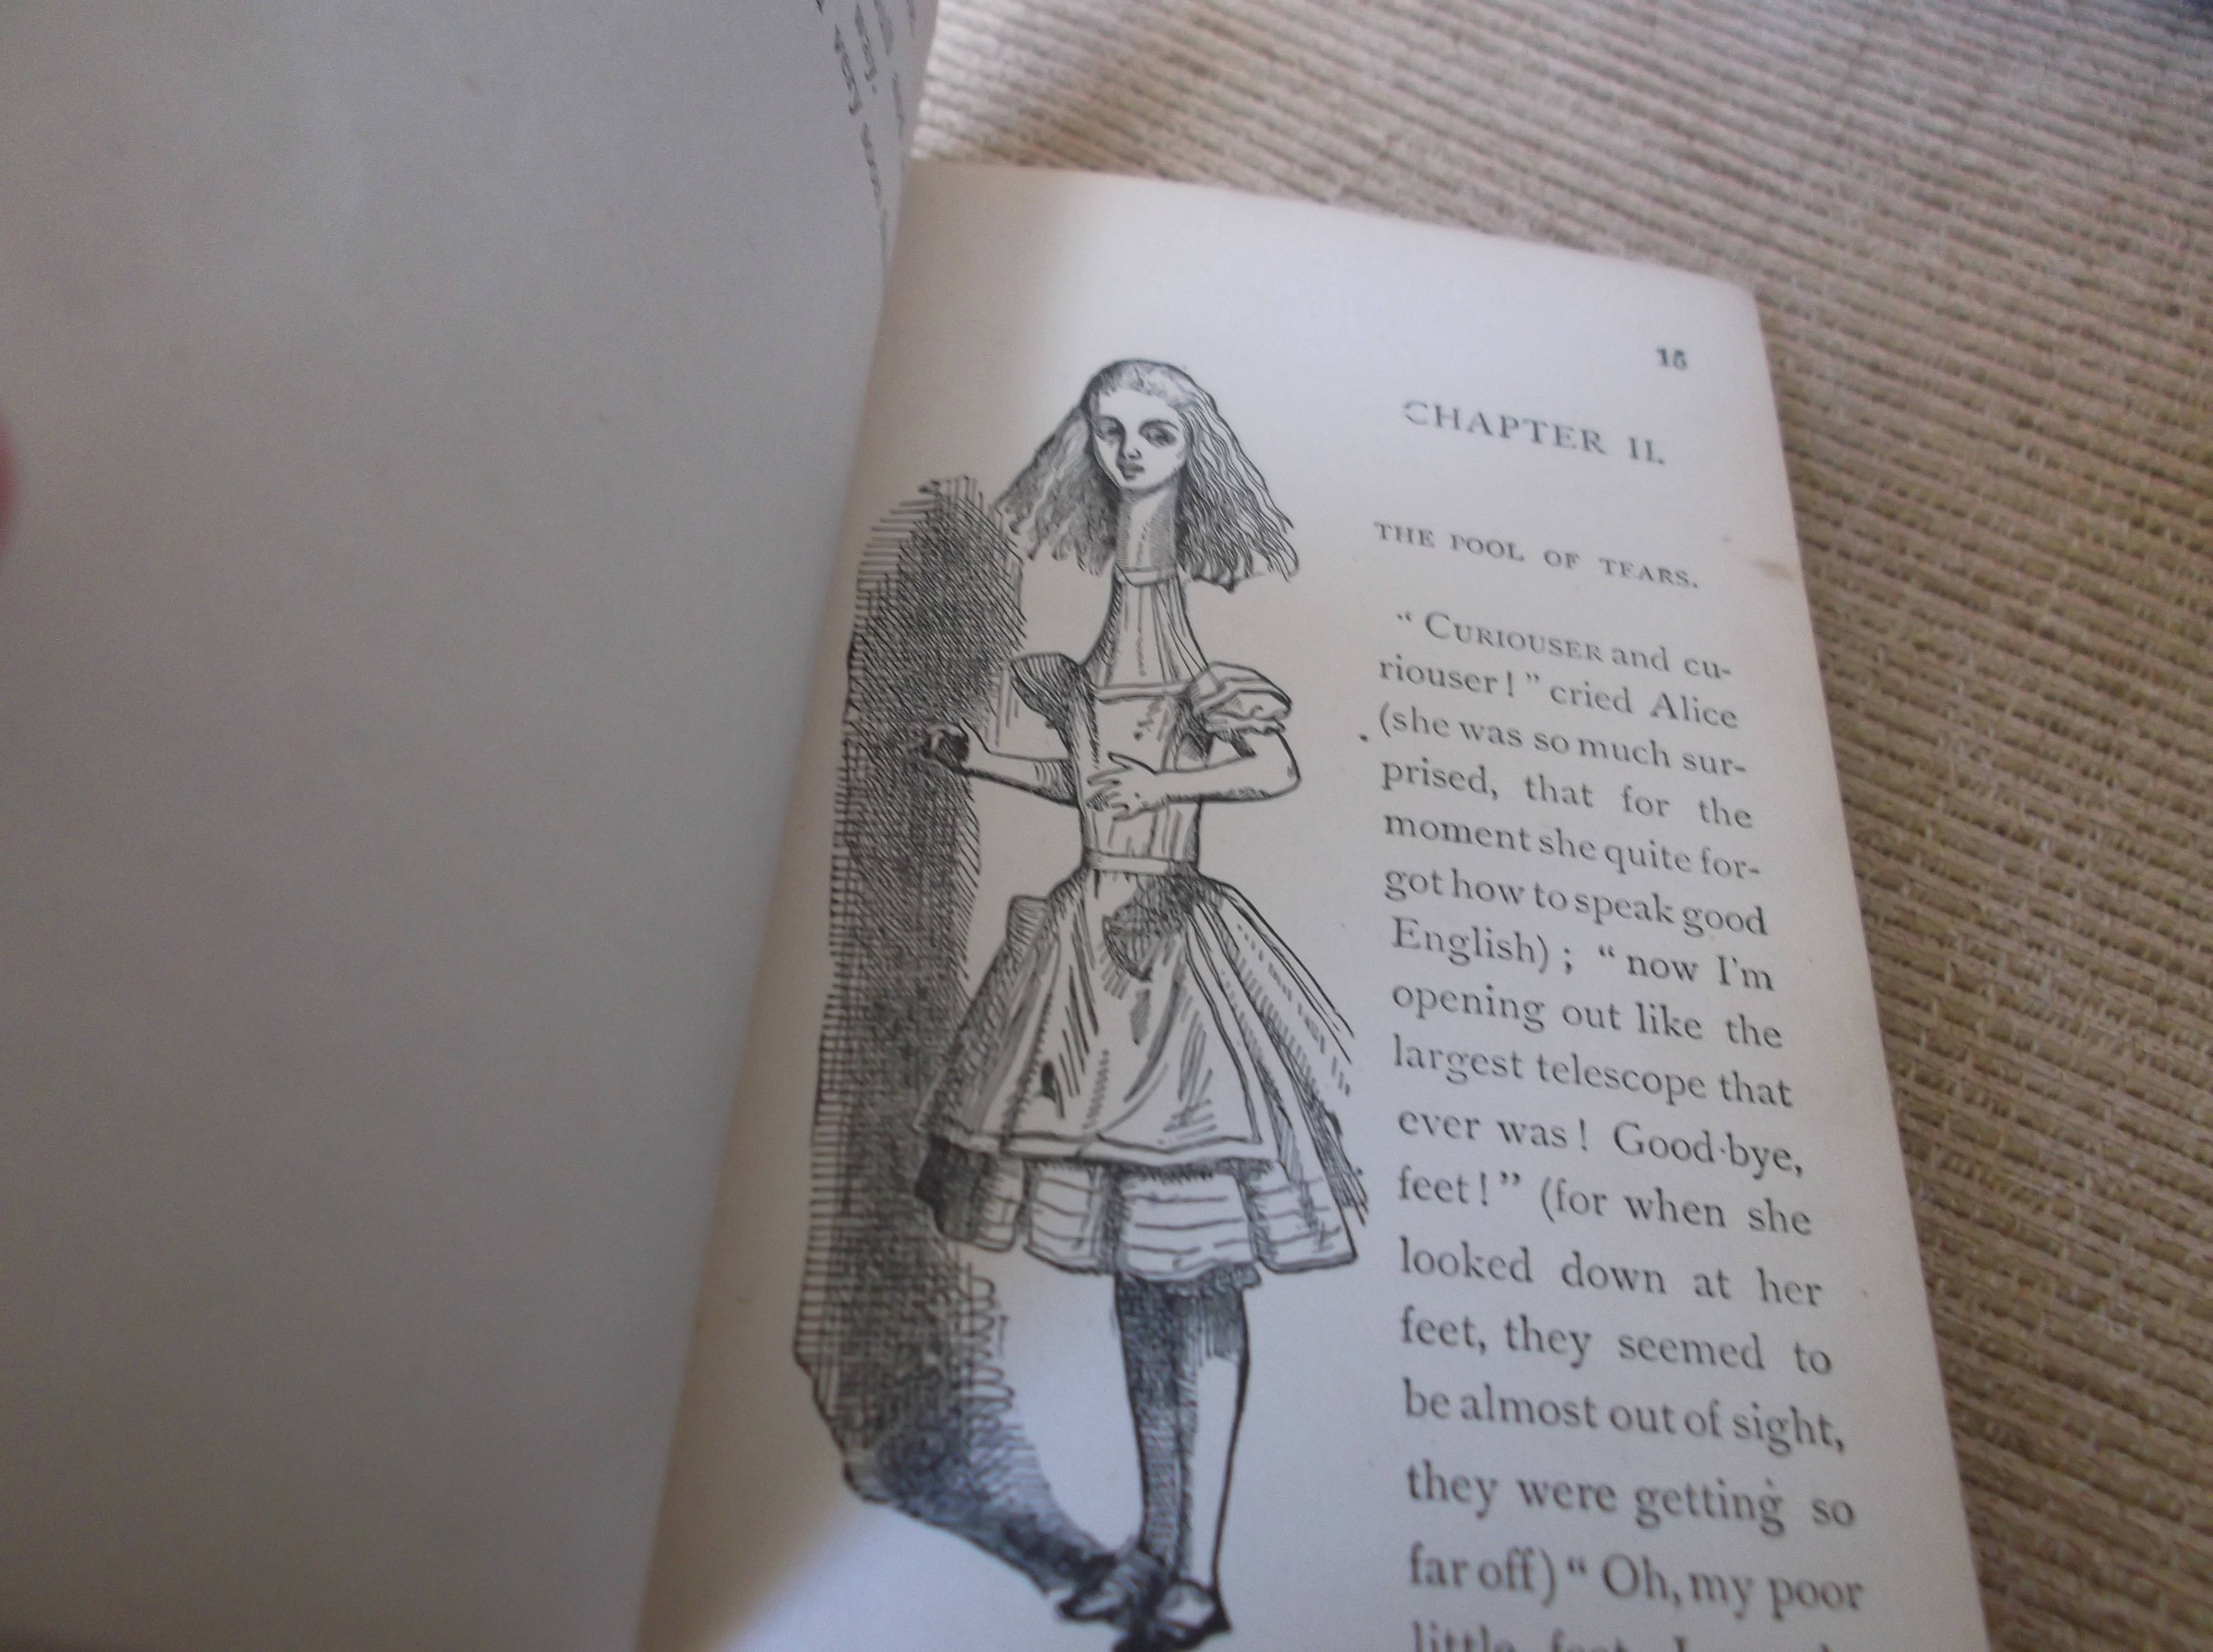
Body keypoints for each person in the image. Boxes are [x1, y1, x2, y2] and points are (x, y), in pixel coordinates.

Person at [916, 361, 1362, 1652]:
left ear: (1191, 450)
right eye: (1110, 431)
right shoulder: (1096, 654)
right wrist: (983, 760)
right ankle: (1159, 1553)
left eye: (1155, 433)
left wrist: (1168, 792)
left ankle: (1199, 1577)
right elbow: (1089, 777)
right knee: (1137, 1277)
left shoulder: (1193, 654)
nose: (1127, 451)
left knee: (1197, 1275)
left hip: (1173, 967)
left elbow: (1273, 765)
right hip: (1085, 965)